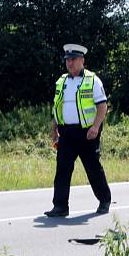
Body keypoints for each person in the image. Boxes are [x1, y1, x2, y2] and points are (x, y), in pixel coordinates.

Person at [44, 43, 111, 218]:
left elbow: (102, 106)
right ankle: (60, 206)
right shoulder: (62, 81)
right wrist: (55, 130)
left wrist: (95, 127)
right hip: (66, 133)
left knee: (93, 168)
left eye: (73, 59)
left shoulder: (92, 80)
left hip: (87, 133)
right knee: (62, 169)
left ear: (82, 60)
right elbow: (57, 108)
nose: (70, 63)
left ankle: (104, 200)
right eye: (67, 60)